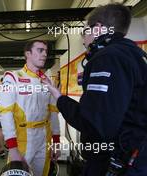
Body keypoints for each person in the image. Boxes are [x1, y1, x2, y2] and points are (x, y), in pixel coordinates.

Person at [42, 3, 147, 176]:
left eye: (85, 32)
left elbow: (94, 123)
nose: (84, 40)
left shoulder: (107, 58)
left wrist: (59, 98)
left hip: (115, 162)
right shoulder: (136, 54)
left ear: (97, 29)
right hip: (135, 156)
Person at [0, 40, 60, 176]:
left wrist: (56, 141)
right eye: (40, 50)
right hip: (22, 139)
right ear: (28, 54)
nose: (44, 54)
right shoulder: (12, 78)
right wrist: (12, 148)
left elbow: (53, 112)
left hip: (44, 139)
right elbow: (5, 113)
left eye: (46, 51)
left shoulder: (48, 81)